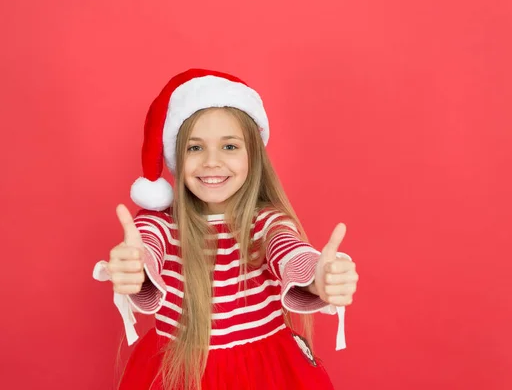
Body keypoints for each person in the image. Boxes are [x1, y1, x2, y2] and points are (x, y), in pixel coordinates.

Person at [93, 68, 359, 390]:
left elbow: (290, 253)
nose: (211, 162)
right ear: (177, 156)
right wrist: (133, 266)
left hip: (264, 374)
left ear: (253, 155)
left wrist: (319, 276)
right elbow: (145, 248)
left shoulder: (266, 223)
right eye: (195, 148)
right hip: (180, 373)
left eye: (229, 146)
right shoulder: (160, 223)